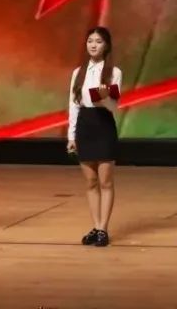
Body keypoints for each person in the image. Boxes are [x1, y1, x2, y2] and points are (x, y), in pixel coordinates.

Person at [67, 26, 122, 247]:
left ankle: (103, 228)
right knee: (90, 181)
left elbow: (114, 106)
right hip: (85, 125)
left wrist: (104, 97)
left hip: (103, 124)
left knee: (105, 181)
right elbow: (73, 104)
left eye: (98, 41)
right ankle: (96, 225)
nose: (93, 45)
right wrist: (71, 135)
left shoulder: (114, 72)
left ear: (106, 45)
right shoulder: (78, 72)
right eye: (90, 41)